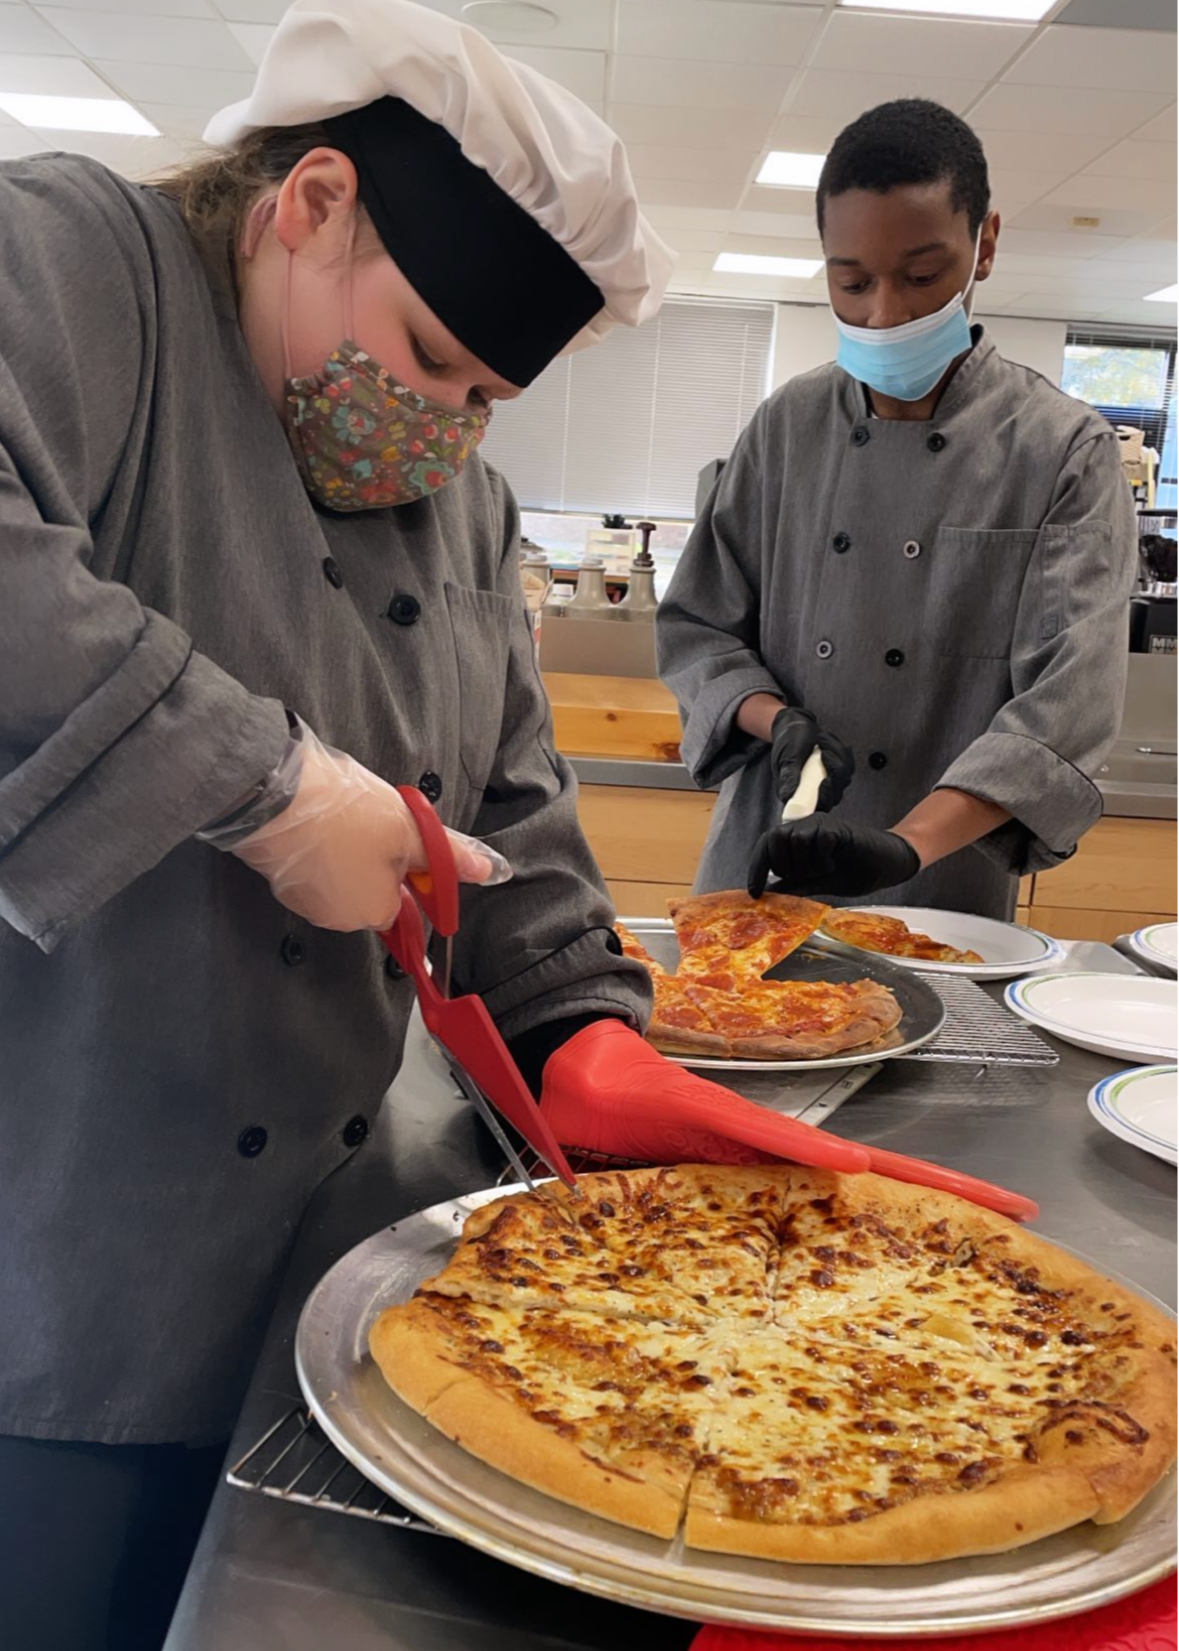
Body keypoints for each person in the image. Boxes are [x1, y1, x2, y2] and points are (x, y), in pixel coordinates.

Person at [0, 4, 865, 1645]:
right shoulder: (78, 268)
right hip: (60, 1262)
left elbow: (513, 811)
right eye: (427, 361)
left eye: (483, 397)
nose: (448, 436)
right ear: (308, 203)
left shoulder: (455, 496)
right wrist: (259, 787)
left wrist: (581, 1032)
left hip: (345, 1267)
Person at [657, 100, 1136, 918]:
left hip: (942, 883)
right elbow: (698, 626)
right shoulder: (785, 428)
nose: (884, 313)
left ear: (983, 244)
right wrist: (774, 722)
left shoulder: (1062, 451)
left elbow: (1066, 705)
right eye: (852, 281)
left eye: (920, 277)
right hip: (761, 860)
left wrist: (906, 843)